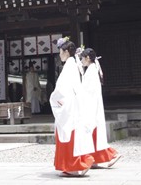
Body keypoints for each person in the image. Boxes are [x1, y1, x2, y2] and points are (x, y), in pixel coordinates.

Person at [49, 37, 94, 177]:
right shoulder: (72, 64)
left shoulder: (69, 66)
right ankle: (75, 163)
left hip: (67, 107)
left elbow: (62, 89)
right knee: (71, 135)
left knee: (68, 136)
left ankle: (74, 165)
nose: (59, 54)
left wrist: (54, 98)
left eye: (61, 52)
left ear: (67, 52)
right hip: (72, 105)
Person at [79, 48, 120, 168]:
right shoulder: (92, 69)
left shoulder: (91, 71)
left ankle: (111, 154)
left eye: (82, 58)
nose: (81, 60)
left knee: (93, 134)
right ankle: (96, 159)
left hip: (91, 106)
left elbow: (88, 90)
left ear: (87, 58)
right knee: (94, 135)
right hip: (91, 105)